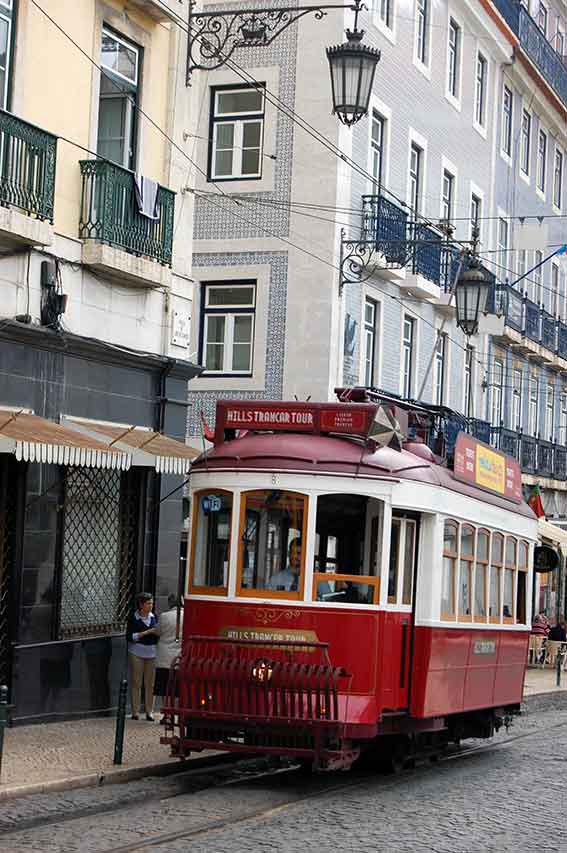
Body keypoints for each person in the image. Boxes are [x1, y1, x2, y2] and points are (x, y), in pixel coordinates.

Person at [127, 592, 160, 721]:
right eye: (148, 603)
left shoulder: (154, 617)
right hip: (137, 652)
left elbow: (157, 633)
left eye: (151, 603)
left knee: (150, 683)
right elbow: (130, 637)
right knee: (136, 682)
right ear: (141, 604)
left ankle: (149, 711)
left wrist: (156, 633)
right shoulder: (133, 618)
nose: (151, 605)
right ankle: (135, 711)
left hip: (152, 652)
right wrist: (147, 632)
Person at [154, 593, 183, 703]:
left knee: (164, 687)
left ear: (169, 603)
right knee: (176, 688)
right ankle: (174, 710)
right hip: (179, 656)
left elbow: (158, 632)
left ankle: (165, 710)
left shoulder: (164, 616)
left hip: (164, 656)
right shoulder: (187, 615)